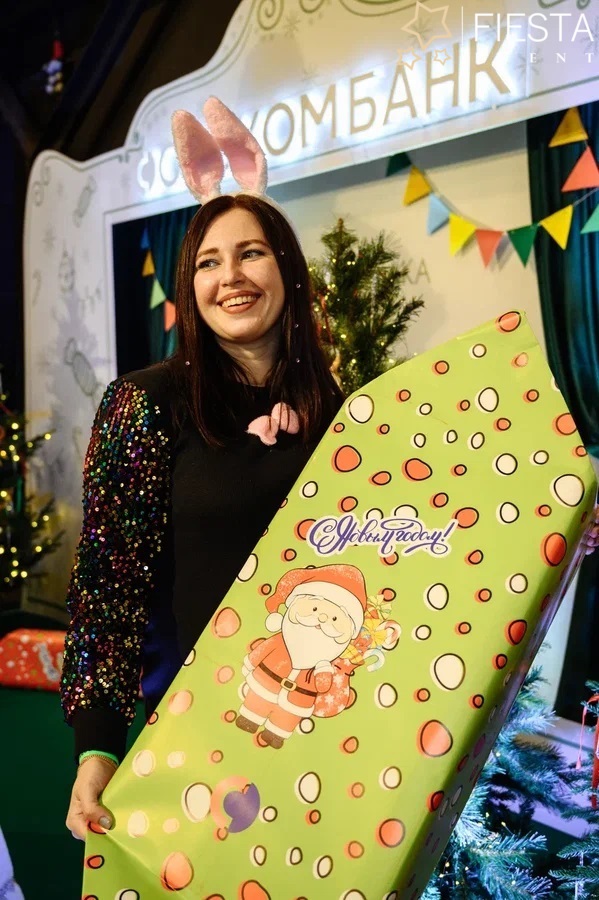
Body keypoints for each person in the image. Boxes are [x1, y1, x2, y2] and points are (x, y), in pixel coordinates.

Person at [61, 98, 345, 841]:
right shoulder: (145, 404)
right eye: (208, 263)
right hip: (199, 741)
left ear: (286, 269)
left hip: (337, 735)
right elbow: (108, 586)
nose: (231, 277)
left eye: (251, 253)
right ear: (189, 287)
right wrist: (98, 748)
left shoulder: (341, 414)